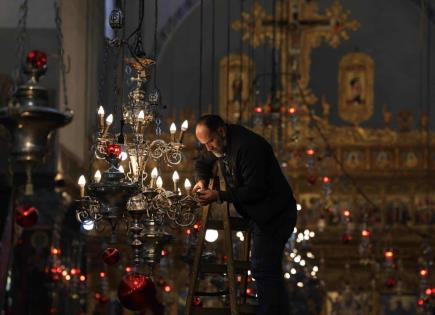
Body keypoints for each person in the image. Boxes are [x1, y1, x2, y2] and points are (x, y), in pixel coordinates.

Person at [193, 114, 297, 315]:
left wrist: (218, 195)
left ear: (221, 131)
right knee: (267, 270)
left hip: (275, 215)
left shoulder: (248, 147)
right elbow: (202, 162)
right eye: (204, 143)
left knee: (262, 269)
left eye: (211, 141)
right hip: (260, 215)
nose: (209, 148)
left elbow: (254, 190)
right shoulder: (216, 145)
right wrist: (201, 181)